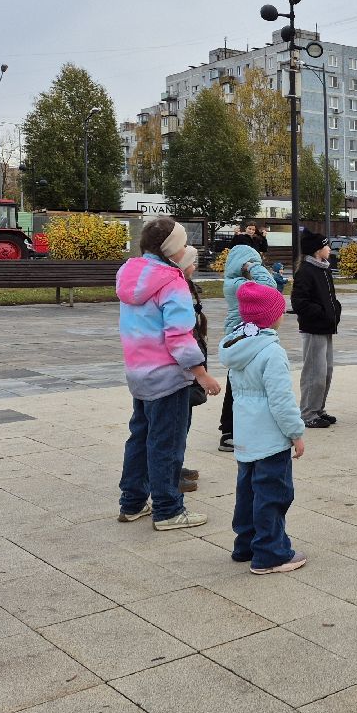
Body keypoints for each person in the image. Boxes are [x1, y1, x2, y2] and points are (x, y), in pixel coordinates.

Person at [116, 218, 220, 530]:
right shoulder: (172, 282)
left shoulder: (129, 274)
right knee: (167, 445)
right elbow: (179, 335)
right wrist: (201, 373)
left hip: (138, 373)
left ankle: (132, 503)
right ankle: (168, 509)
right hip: (168, 377)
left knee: (140, 438)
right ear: (173, 248)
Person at [220, 281, 308, 574]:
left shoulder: (237, 346)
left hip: (246, 436)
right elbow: (281, 401)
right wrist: (296, 433)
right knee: (273, 493)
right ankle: (270, 552)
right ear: (273, 317)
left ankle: (245, 544)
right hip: (270, 438)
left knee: (247, 492)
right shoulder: (271, 352)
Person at [218, 235, 277, 452]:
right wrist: (253, 265)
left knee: (243, 382)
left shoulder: (237, 282)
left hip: (245, 334)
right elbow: (269, 286)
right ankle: (228, 431)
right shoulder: (237, 284)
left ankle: (237, 428)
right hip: (242, 336)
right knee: (237, 384)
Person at [291, 230, 341, 429]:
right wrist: (320, 312)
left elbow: (330, 298)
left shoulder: (324, 269)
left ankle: (319, 409)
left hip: (326, 327)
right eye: (327, 246)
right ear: (317, 250)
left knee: (326, 372)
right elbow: (299, 302)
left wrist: (335, 310)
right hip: (313, 329)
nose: (330, 249)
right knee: (314, 373)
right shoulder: (306, 271)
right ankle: (308, 413)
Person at [177, 245, 205, 494]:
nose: (194, 267)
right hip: (179, 370)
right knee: (174, 425)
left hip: (185, 369)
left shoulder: (185, 287)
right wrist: (200, 372)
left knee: (183, 421)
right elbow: (180, 335)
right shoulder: (176, 289)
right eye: (191, 263)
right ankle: (169, 472)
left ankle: (176, 464)